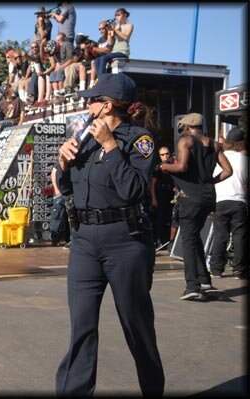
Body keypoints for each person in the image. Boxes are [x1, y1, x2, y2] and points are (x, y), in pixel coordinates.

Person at [54, 73, 164, 396]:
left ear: (109, 105)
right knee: (81, 328)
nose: (87, 104)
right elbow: (66, 188)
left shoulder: (139, 140)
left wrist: (111, 146)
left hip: (125, 241)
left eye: (93, 99)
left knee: (137, 326)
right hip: (85, 239)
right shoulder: (84, 137)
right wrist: (62, 163)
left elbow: (134, 190)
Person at [158, 112, 232, 299]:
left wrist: (163, 167)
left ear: (187, 127)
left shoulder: (186, 141)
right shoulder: (215, 145)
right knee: (195, 237)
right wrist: (210, 181)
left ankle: (192, 286)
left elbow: (181, 167)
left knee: (188, 241)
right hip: (208, 197)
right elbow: (228, 171)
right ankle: (205, 281)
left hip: (190, 198)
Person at [210, 128, 247, 279]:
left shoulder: (220, 158)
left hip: (221, 200)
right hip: (239, 200)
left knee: (220, 235)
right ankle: (239, 269)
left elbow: (213, 179)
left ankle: (216, 268)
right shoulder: (245, 160)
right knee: (240, 236)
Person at [150, 146, 176, 248]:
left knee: (171, 218)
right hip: (161, 194)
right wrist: (154, 198)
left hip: (171, 193)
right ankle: (159, 240)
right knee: (160, 218)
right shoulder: (158, 168)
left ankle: (169, 241)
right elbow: (153, 184)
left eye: (167, 154)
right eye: (162, 154)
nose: (165, 156)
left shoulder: (174, 165)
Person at [94, 8, 133, 77]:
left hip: (123, 52)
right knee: (97, 60)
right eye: (115, 15)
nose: (116, 17)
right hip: (114, 51)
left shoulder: (129, 25)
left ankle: (102, 78)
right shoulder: (116, 26)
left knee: (103, 58)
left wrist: (114, 29)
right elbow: (110, 43)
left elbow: (126, 37)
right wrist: (109, 33)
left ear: (125, 15)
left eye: (118, 15)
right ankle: (100, 78)